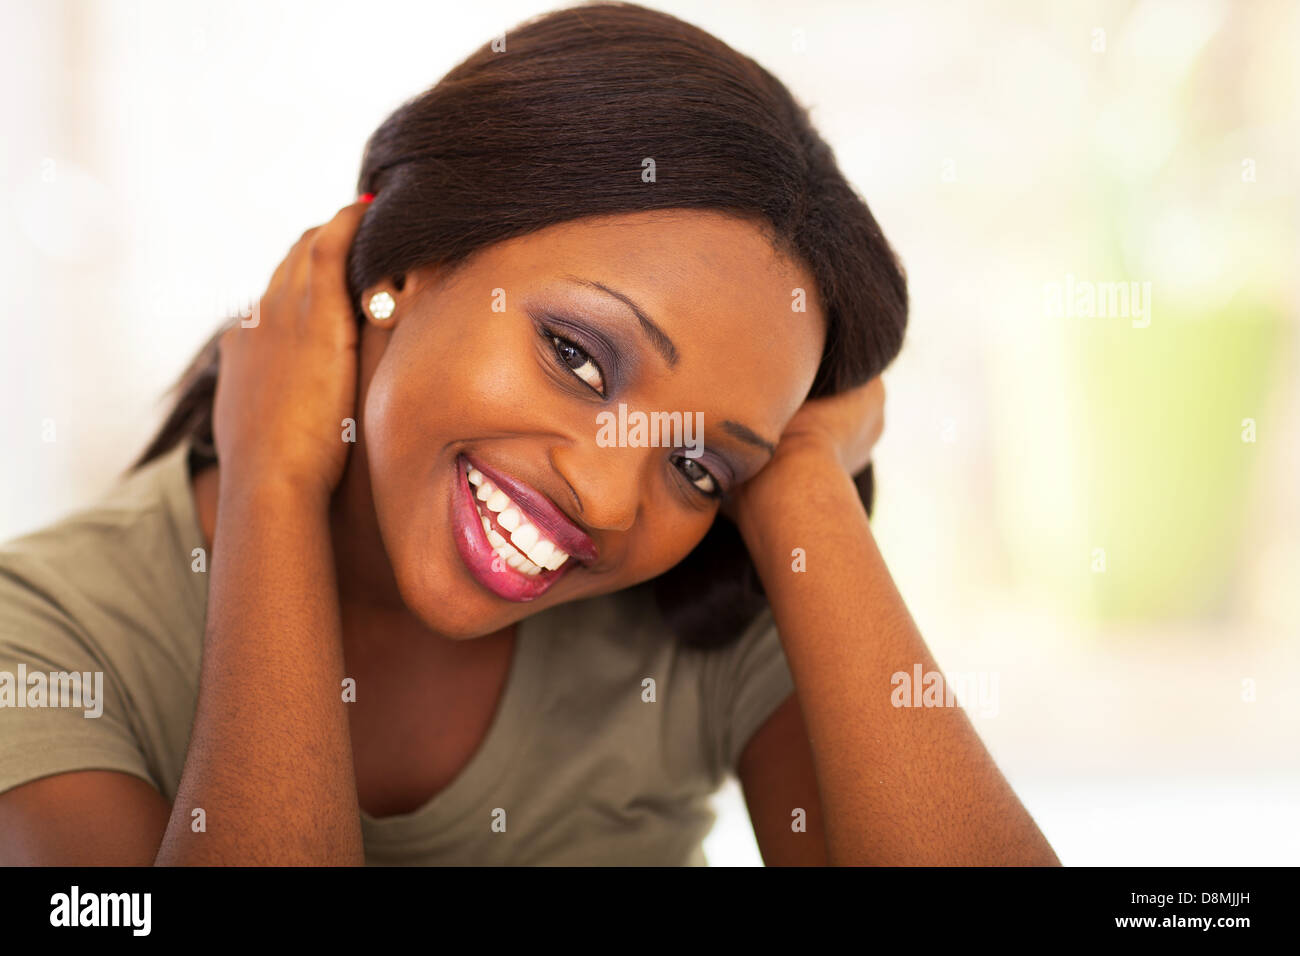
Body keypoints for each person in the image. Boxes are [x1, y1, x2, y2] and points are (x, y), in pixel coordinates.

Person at [0, 1, 1059, 865]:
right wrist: (270, 487)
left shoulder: (699, 624)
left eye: (696, 461)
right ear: (401, 263)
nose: (604, 497)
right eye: (578, 356)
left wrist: (802, 485)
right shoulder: (43, 640)